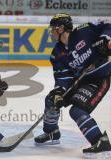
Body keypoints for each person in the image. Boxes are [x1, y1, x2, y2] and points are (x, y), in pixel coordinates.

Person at [34, 13, 111, 158]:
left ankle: (101, 143)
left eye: (53, 29)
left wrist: (106, 39)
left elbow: (108, 24)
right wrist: (59, 92)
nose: (51, 32)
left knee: (76, 111)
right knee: (51, 100)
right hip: (79, 81)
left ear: (61, 28)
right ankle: (51, 132)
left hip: (98, 79)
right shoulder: (56, 53)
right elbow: (63, 77)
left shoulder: (85, 31)